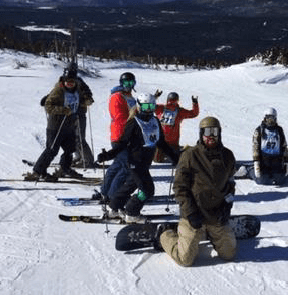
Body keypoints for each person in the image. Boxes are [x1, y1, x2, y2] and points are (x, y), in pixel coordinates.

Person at [158, 116, 237, 266]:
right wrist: (191, 213)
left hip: (215, 214)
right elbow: (179, 188)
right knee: (185, 259)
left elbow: (230, 184)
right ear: (201, 133)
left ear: (219, 133)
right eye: (207, 132)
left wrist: (227, 207)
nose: (211, 136)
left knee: (229, 254)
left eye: (214, 131)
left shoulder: (227, 156)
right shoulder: (190, 155)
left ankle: (211, 234)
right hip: (194, 215)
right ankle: (166, 234)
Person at [97, 92, 179, 222]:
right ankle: (132, 212)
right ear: (139, 106)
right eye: (146, 107)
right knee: (147, 191)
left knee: (130, 185)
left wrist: (175, 157)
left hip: (145, 162)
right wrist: (107, 155)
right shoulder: (134, 123)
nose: (149, 110)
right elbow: (122, 144)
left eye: (151, 107)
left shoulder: (155, 121)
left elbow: (161, 142)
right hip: (135, 162)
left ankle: (114, 207)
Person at [25, 70, 85, 181]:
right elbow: (48, 106)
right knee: (52, 150)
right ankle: (38, 171)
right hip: (56, 126)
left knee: (69, 149)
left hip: (69, 125)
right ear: (63, 80)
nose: (70, 84)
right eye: (67, 82)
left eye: (72, 82)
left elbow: (79, 102)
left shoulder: (76, 91)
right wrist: (63, 110)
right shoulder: (58, 90)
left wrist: (83, 104)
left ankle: (64, 169)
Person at [99, 72, 138, 202]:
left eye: (131, 83)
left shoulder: (129, 96)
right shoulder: (117, 96)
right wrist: (130, 131)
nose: (129, 86)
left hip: (126, 135)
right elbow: (120, 118)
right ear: (121, 83)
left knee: (117, 165)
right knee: (125, 167)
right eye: (126, 83)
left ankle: (105, 191)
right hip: (121, 136)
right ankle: (114, 195)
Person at [64, 62, 95, 168]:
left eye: (72, 70)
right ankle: (78, 156)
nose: (70, 73)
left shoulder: (79, 82)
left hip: (79, 113)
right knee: (71, 137)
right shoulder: (64, 81)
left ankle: (88, 160)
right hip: (67, 114)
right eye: (68, 70)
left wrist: (86, 99)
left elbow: (88, 93)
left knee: (80, 137)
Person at [153, 92, 199, 162]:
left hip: (168, 142)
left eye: (173, 101)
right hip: (165, 141)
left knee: (170, 160)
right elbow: (194, 113)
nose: (171, 104)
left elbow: (150, 105)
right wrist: (195, 104)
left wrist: (154, 97)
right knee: (162, 160)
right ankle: (176, 152)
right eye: (171, 101)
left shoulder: (162, 109)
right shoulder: (164, 109)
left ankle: (181, 151)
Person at [250, 107, 288, 185]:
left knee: (280, 181)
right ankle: (250, 171)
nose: (270, 121)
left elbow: (284, 145)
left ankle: (281, 173)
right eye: (268, 118)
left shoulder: (279, 130)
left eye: (272, 118)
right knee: (263, 181)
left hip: (276, 159)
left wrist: (286, 161)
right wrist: (256, 162)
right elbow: (255, 146)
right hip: (264, 160)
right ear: (265, 118)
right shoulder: (260, 130)